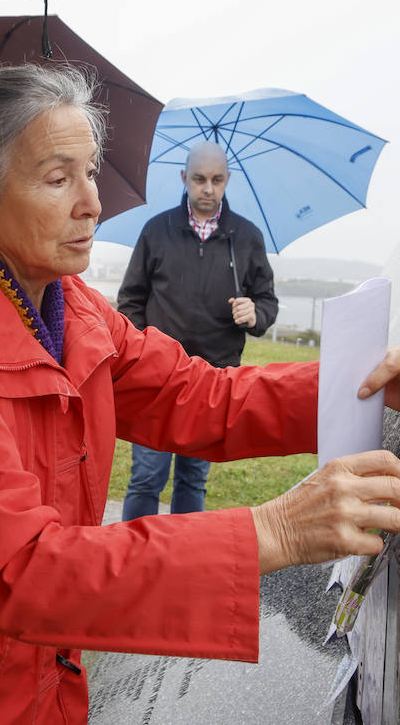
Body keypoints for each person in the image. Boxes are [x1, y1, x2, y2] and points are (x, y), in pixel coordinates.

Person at [0, 64, 400, 724]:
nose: (91, 203)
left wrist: (352, 386)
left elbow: (201, 399)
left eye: (92, 172)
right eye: (56, 178)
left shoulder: (73, 309)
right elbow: (25, 570)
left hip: (39, 688)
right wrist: (272, 530)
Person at [117, 140, 277, 519]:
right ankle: (132, 568)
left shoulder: (247, 236)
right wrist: (142, 354)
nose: (208, 189)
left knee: (193, 479)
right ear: (184, 178)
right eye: (200, 179)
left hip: (213, 380)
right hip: (157, 380)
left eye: (217, 180)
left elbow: (267, 302)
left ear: (228, 179)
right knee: (146, 477)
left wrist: (255, 314)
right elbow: (130, 301)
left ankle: (183, 565)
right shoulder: (157, 230)